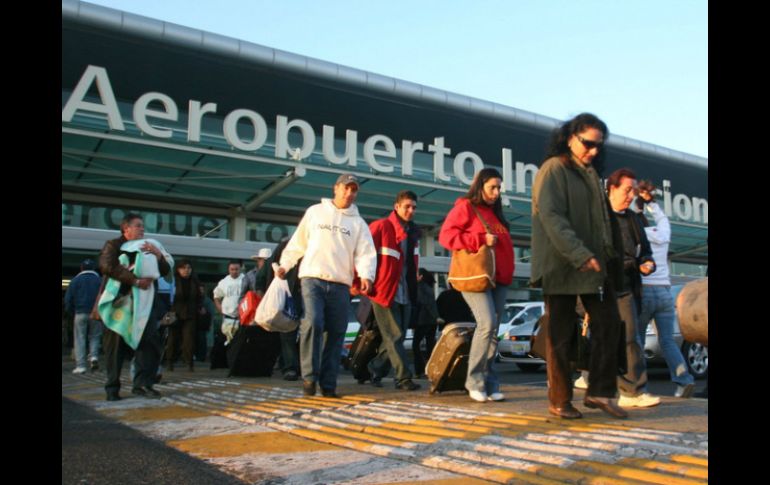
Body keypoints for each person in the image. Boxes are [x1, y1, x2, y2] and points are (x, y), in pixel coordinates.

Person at [530, 113, 627, 419]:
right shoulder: (553, 169)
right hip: (561, 263)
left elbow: (601, 223)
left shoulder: (590, 175)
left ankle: (599, 392)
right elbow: (551, 216)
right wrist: (578, 253)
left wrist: (610, 256)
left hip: (593, 264)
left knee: (610, 323)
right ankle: (559, 399)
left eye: (599, 145)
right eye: (588, 143)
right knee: (560, 333)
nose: (594, 150)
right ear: (570, 137)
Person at [277, 173, 377, 398]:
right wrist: (285, 264)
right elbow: (298, 242)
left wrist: (366, 276)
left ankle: (328, 384)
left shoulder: (359, 223)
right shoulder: (315, 212)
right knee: (312, 322)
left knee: (337, 332)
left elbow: (366, 253)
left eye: (354, 190)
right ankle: (309, 378)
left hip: (341, 284)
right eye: (346, 188)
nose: (349, 193)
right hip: (312, 278)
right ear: (336, 188)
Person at [439, 167, 514, 403]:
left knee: (492, 332)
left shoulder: (496, 214)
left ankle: (490, 384)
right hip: (476, 277)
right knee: (487, 323)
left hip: (499, 279)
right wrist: (479, 239)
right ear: (480, 186)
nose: (496, 192)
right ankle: (473, 381)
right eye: (492, 187)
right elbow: (445, 236)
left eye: (499, 188)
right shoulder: (466, 207)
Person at [98, 213, 172, 401]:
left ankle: (143, 385)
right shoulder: (113, 245)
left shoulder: (150, 245)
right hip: (119, 302)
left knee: (150, 344)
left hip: (146, 304)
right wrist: (135, 280)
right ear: (126, 228)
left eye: (142, 226)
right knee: (115, 346)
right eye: (138, 226)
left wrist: (158, 255)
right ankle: (112, 388)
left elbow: (164, 271)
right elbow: (108, 266)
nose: (142, 229)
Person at [635, 180, 696, 398]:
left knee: (638, 341)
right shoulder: (664, 231)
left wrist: (639, 205)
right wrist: (650, 202)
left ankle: (639, 387)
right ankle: (684, 380)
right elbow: (660, 217)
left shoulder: (639, 236)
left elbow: (633, 218)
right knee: (668, 341)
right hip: (665, 292)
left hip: (645, 291)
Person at [605, 168, 660, 408]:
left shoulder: (634, 220)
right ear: (612, 188)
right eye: (626, 190)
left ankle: (632, 390)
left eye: (633, 191)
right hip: (600, 285)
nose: (630, 196)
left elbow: (646, 252)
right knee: (601, 338)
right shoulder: (598, 217)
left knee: (630, 338)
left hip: (627, 286)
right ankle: (590, 380)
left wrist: (647, 263)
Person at [365, 190, 421, 391]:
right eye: (407, 206)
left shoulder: (414, 233)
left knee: (397, 335)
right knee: (395, 335)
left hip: (405, 292)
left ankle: (375, 367)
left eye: (414, 207)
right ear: (396, 207)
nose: (411, 210)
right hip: (383, 291)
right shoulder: (381, 227)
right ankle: (403, 378)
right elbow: (363, 254)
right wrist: (361, 280)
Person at [262, 238, 301, 381]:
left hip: (301, 293)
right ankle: (291, 367)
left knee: (293, 333)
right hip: (290, 293)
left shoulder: (317, 243)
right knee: (289, 332)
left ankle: (294, 367)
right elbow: (266, 271)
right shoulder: (286, 245)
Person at [64, 258, 103, 374]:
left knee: (80, 339)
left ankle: (81, 366)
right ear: (94, 268)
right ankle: (94, 357)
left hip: (80, 313)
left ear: (81, 268)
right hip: (96, 313)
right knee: (95, 336)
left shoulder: (75, 281)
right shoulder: (99, 280)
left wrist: (70, 312)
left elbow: (68, 299)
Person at [167, 259, 202, 371]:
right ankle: (170, 362)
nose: (186, 270)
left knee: (189, 339)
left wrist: (200, 308)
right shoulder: (173, 281)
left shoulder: (195, 281)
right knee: (172, 338)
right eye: (184, 268)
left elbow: (200, 297)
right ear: (178, 269)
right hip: (173, 312)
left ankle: (189, 362)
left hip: (190, 313)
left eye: (189, 268)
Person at [413, 268, 440, 378]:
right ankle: (432, 368)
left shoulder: (420, 287)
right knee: (430, 345)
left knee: (416, 345)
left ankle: (419, 370)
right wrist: (436, 317)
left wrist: (435, 316)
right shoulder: (429, 288)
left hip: (423, 320)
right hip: (432, 321)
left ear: (421, 277)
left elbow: (426, 303)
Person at [213, 260, 244, 345]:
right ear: (228, 269)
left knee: (239, 343)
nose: (234, 271)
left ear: (240, 269)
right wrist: (220, 309)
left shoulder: (245, 280)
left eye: (236, 269)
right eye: (232, 269)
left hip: (242, 318)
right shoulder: (224, 282)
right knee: (225, 342)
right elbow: (216, 296)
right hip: (227, 317)